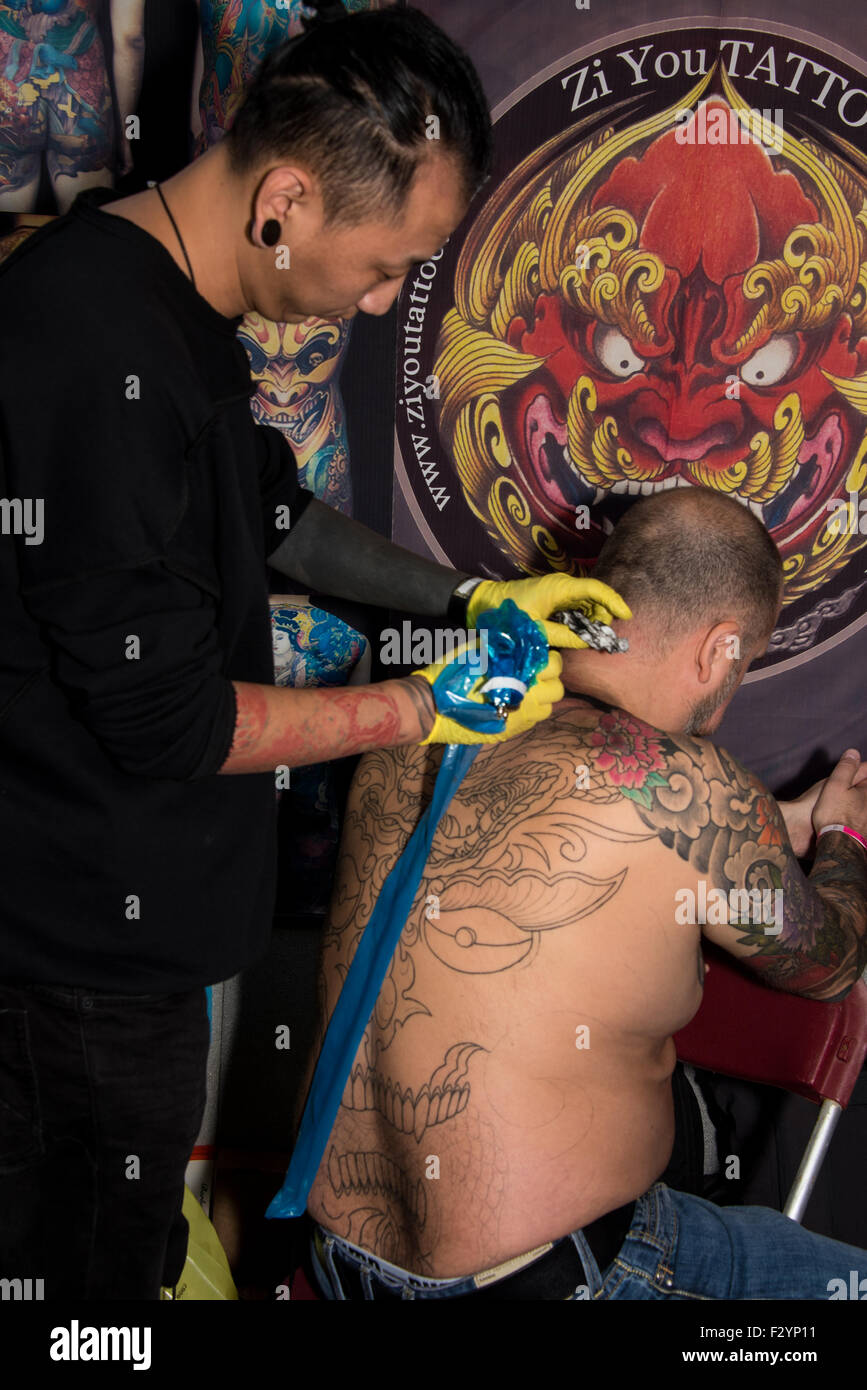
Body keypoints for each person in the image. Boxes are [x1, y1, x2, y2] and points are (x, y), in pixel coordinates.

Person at [0, 6, 626, 1300]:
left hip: (135, 939)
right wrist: (419, 708)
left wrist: (465, 600)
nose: (391, 296)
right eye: (390, 262)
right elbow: (168, 721)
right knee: (94, 1300)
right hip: (75, 963)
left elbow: (271, 515)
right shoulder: (85, 339)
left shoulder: (166, 294)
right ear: (288, 196)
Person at [302, 486, 867, 1300]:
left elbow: (563, 825)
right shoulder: (692, 785)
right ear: (718, 650)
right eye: (742, 665)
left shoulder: (427, 729)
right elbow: (831, 963)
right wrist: (844, 836)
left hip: (344, 1267)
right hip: (550, 1277)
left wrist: (777, 823)